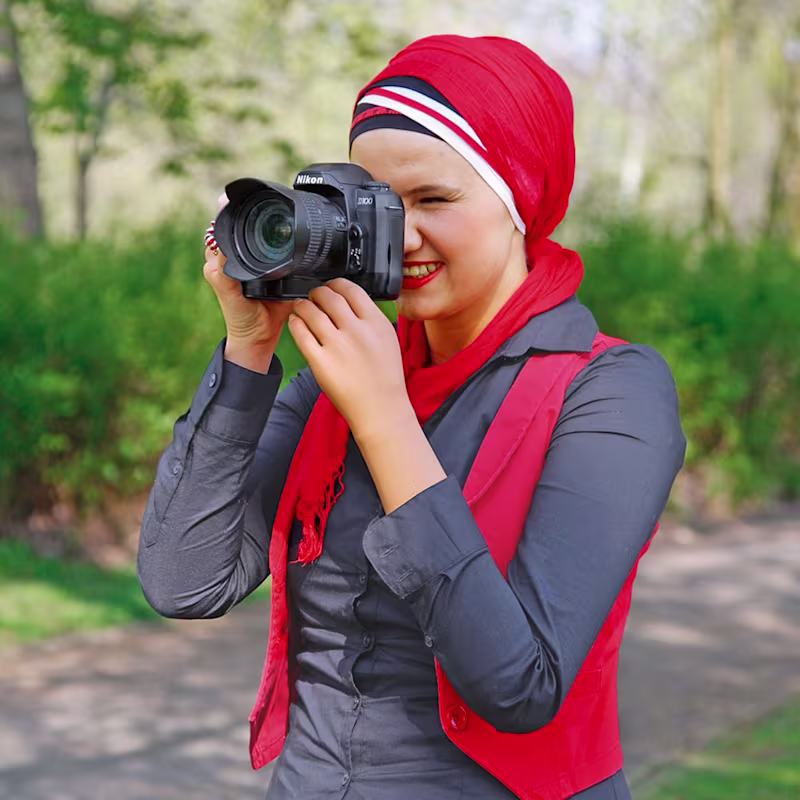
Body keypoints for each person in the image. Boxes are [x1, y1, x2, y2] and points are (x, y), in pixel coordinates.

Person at [138, 34, 686, 800]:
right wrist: (249, 349)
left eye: (435, 200)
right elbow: (183, 583)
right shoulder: (336, 380)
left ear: (520, 201)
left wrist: (387, 423)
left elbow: (521, 685)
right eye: (380, 204)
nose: (404, 236)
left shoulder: (610, 390)